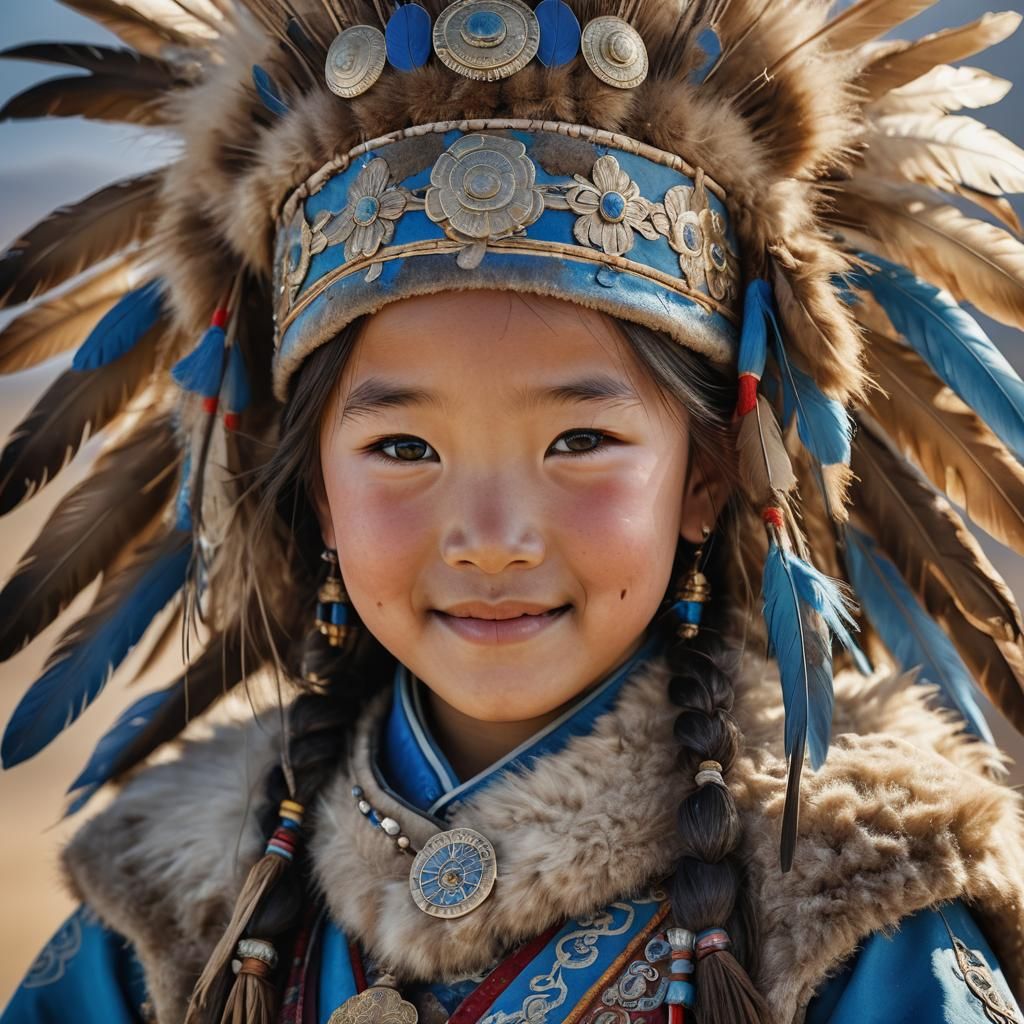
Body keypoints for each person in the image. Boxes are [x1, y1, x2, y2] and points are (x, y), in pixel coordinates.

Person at [1, 1, 1023, 1022]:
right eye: (403, 449)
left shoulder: (859, 907)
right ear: (314, 487)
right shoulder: (166, 910)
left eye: (578, 442)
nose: (490, 538)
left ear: (707, 474)